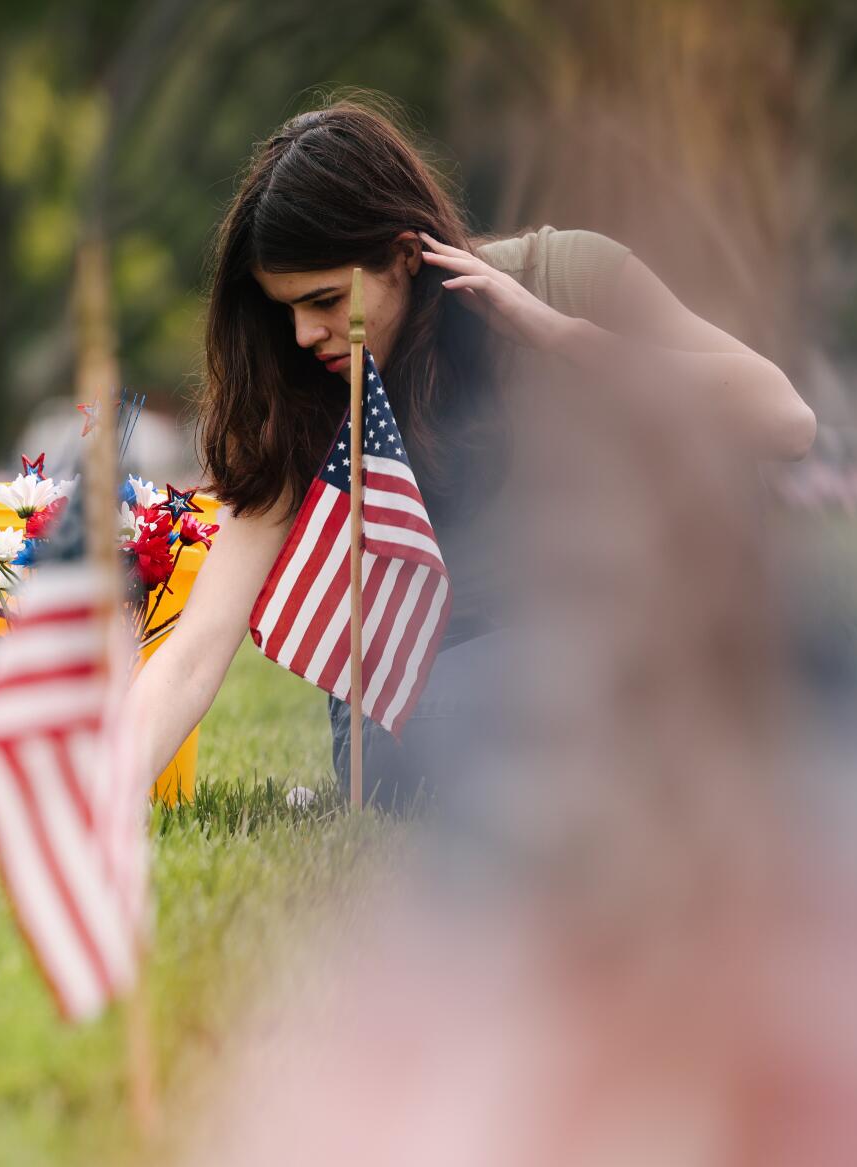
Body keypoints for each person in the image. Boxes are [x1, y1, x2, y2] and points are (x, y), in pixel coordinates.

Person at [129, 97, 815, 810]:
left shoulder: (562, 274)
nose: (303, 334)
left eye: (326, 299)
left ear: (402, 255)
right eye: (284, 309)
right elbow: (195, 652)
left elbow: (784, 419)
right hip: (422, 700)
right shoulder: (296, 394)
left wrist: (557, 335)